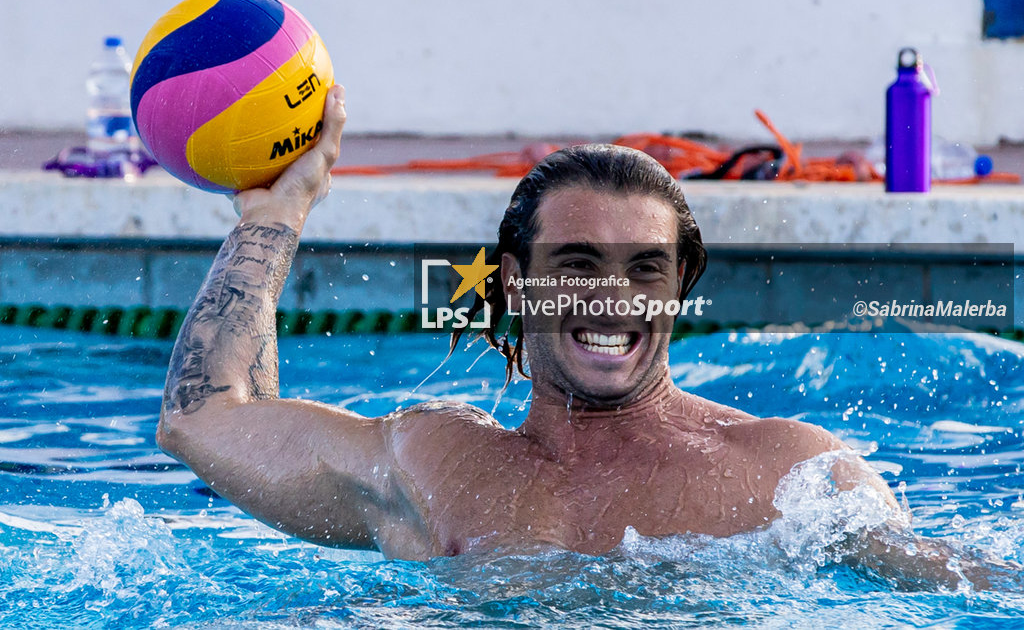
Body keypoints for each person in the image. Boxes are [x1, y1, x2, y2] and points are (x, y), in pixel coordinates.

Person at [157, 85, 1013, 588]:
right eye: (575, 263)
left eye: (645, 268)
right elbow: (202, 420)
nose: (613, 297)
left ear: (679, 289)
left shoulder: (791, 472)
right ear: (514, 281)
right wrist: (276, 214)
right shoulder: (429, 463)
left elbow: (963, 581)